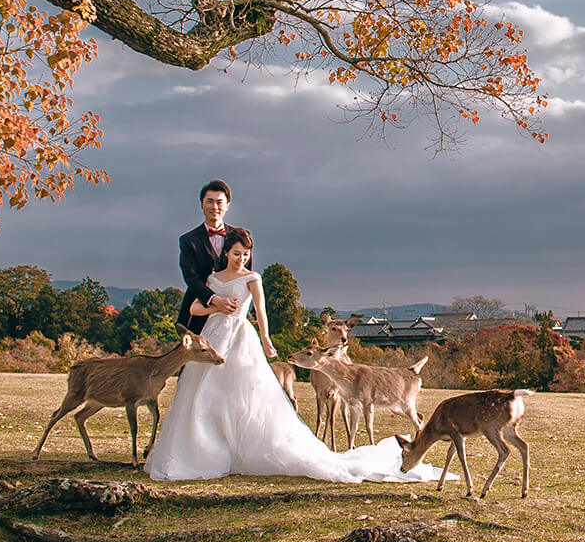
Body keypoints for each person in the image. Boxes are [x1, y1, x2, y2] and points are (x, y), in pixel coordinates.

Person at [145, 233, 440, 483]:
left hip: (240, 337)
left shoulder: (252, 277)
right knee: (203, 393)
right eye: (237, 254)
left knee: (245, 393)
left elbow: (260, 311)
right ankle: (204, 451)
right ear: (227, 253)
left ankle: (241, 448)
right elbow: (195, 309)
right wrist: (217, 305)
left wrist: (266, 338)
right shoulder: (212, 278)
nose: (242, 259)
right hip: (214, 333)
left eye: (246, 254)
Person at [177, 179, 242, 334]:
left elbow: (244, 276)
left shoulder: (240, 238)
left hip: (230, 311)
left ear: (227, 205)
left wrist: (231, 305)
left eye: (219, 202)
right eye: (209, 202)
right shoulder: (188, 240)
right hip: (197, 311)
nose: (214, 207)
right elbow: (191, 278)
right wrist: (214, 300)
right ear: (202, 204)